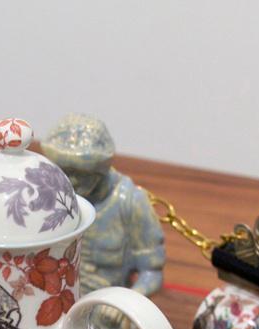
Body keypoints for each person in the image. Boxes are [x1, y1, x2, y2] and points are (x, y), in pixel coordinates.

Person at [40, 114, 165, 298]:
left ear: (101, 169)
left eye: (81, 173)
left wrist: (125, 302)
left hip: (106, 305)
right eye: (63, 172)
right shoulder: (47, 192)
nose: (72, 181)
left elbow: (152, 272)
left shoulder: (129, 201)